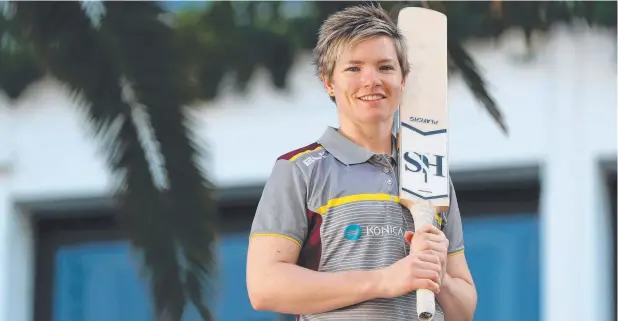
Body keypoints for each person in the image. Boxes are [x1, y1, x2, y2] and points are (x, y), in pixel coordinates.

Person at [246, 4, 476, 321]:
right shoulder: (300, 170)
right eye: (354, 69)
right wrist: (385, 280)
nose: (371, 81)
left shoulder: (432, 173)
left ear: (404, 79)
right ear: (328, 82)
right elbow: (264, 287)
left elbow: (464, 311)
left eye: (385, 67)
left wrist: (437, 273)